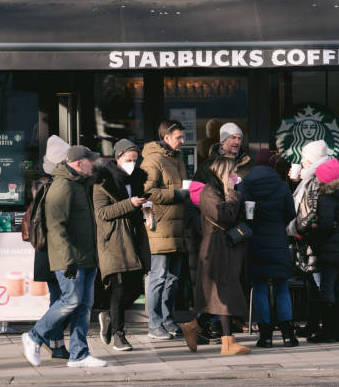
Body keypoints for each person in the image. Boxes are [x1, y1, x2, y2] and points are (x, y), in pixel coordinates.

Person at [22, 145, 107, 368]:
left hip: (87, 257)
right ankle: (34, 336)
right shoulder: (63, 187)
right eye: (91, 161)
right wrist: (68, 259)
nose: (94, 165)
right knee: (71, 301)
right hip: (71, 259)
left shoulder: (79, 184)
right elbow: (55, 227)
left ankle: (79, 354)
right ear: (80, 163)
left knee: (83, 306)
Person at [181, 157, 251, 355]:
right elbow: (223, 216)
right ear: (222, 173)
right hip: (215, 249)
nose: (235, 177)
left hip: (224, 248)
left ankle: (193, 326)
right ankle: (227, 342)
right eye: (232, 173)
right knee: (223, 295)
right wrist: (234, 198)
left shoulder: (221, 191)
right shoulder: (210, 191)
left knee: (219, 296)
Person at [238, 149, 299, 348]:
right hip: (278, 241)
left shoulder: (245, 185)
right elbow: (291, 213)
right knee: (282, 287)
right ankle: (289, 335)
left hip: (255, 242)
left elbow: (241, 212)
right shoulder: (281, 186)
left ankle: (265, 336)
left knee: (260, 288)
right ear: (272, 165)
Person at [93, 138, 148, 352]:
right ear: (117, 158)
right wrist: (129, 204)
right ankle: (119, 335)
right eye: (128, 159)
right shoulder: (103, 182)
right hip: (113, 241)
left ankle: (108, 315)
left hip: (134, 240)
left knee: (136, 287)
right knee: (119, 287)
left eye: (135, 159)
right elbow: (102, 214)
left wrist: (146, 210)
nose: (132, 163)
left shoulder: (137, 179)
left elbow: (137, 205)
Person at [141, 120, 189, 340]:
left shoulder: (177, 159)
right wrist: (178, 194)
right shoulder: (153, 160)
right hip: (160, 227)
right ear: (166, 137)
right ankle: (154, 323)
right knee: (158, 277)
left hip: (178, 227)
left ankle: (167, 320)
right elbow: (148, 192)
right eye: (179, 137)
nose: (183, 141)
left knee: (172, 278)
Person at [301, 158, 339, 343]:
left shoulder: (326, 196)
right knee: (338, 287)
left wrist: (311, 236)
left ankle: (329, 331)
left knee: (327, 288)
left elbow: (325, 225)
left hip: (331, 248)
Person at [32, 135, 71, 360]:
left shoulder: (43, 184)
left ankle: (56, 345)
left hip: (47, 251)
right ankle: (43, 335)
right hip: (54, 252)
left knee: (60, 299)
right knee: (65, 300)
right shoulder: (53, 186)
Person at [288, 139, 330, 338]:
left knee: (319, 283)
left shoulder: (315, 180)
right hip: (310, 240)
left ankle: (323, 326)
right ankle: (314, 324)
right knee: (313, 283)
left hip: (315, 240)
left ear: (312, 160)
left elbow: (311, 212)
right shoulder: (310, 179)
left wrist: (298, 229)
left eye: (304, 159)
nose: (302, 162)